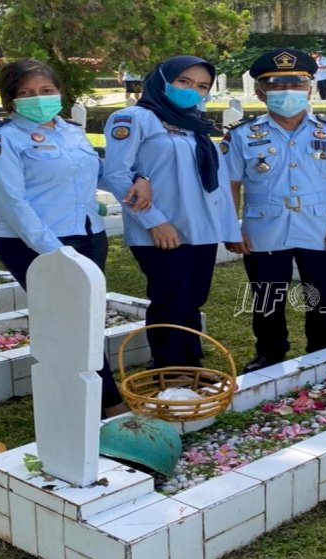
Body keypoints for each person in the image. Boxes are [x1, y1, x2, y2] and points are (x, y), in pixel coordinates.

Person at [0, 58, 149, 418]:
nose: (37, 98)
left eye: (46, 90)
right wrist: (56, 253)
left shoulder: (71, 131)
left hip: (88, 235)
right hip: (32, 243)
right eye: (25, 93)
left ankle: (84, 396)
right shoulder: (1, 140)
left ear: (59, 92)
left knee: (85, 318)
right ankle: (108, 404)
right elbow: (13, 203)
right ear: (10, 100)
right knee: (75, 320)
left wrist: (137, 177)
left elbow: (94, 173)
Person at [223, 49, 326, 373]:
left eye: (297, 84)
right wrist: (232, 227)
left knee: (324, 297)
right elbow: (231, 185)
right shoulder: (241, 135)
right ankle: (270, 351)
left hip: (321, 227)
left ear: (309, 88)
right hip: (264, 229)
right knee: (268, 297)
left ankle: (321, 350)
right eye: (277, 85)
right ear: (260, 92)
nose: (288, 92)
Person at [102, 56, 241, 369]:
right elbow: (116, 174)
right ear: (162, 80)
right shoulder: (135, 118)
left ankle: (190, 365)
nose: (193, 91)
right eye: (184, 82)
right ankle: (168, 367)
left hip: (200, 229)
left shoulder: (195, 124)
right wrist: (156, 222)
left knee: (192, 300)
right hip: (160, 231)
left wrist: (229, 230)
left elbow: (216, 183)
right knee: (170, 299)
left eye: (202, 86)